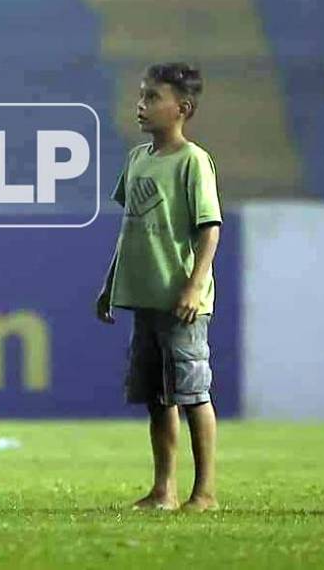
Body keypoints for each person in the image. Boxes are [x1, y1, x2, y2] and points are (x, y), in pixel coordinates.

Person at [96, 62, 222, 512]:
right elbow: (130, 229)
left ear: (182, 108)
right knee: (157, 398)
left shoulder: (193, 161)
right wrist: (111, 283)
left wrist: (194, 286)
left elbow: (209, 230)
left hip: (180, 301)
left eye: (152, 98)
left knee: (192, 395)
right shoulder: (137, 159)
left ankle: (204, 492)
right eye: (142, 96)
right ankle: (163, 490)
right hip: (144, 299)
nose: (141, 105)